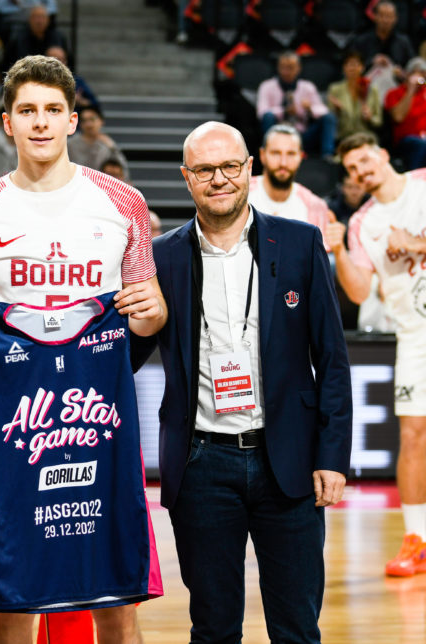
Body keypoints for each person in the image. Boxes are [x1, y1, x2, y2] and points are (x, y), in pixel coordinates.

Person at [0, 54, 167, 644]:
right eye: (27, 111)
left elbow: (150, 315)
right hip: (16, 425)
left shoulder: (123, 203)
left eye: (52, 110)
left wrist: (152, 312)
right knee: (15, 599)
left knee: (117, 600)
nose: (40, 122)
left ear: (72, 120)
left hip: (100, 422)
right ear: (7, 123)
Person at [131, 121, 351, 642]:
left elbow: (332, 358)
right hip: (201, 466)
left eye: (230, 166)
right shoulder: (159, 257)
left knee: (297, 629)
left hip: (289, 463)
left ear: (249, 168)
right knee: (213, 629)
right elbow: (128, 356)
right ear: (187, 177)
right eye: (205, 169)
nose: (219, 179)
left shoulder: (299, 243)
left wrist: (332, 456)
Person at [327, 132, 426, 576]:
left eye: (365, 160)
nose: (361, 171)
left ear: (384, 154)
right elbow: (358, 291)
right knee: (413, 436)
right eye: (352, 168)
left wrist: (417, 244)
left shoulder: (422, 183)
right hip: (414, 336)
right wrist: (338, 248)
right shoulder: (363, 222)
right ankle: (417, 540)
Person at [248, 124, 333, 244]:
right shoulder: (241, 194)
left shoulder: (315, 206)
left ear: (301, 157)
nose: (283, 163)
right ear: (262, 155)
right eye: (276, 153)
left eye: (291, 154)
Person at [257, 51, 337, 156]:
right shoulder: (267, 86)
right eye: (283, 67)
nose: (286, 72)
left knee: (329, 118)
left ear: (298, 68)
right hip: (277, 134)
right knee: (268, 117)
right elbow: (261, 113)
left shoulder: (307, 87)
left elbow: (323, 110)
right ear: (278, 68)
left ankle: (327, 156)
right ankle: (269, 153)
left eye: (290, 68)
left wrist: (310, 108)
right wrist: (284, 111)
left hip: (303, 134)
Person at [327, 50, 383, 142]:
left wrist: (370, 118)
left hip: (366, 137)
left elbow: (378, 121)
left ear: (362, 67)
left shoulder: (372, 90)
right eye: (349, 64)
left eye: (356, 64)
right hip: (343, 137)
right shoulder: (335, 89)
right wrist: (337, 110)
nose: (352, 68)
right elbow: (329, 121)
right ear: (344, 68)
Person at [384, 57, 426, 170]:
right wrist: (411, 90)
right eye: (415, 73)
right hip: (407, 141)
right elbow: (398, 117)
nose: (419, 77)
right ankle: (416, 178)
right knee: (422, 145)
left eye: (422, 73)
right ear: (407, 74)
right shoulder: (394, 93)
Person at [351, 0, 415, 73]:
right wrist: (371, 62)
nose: (385, 20)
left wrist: (402, 73)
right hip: (367, 79)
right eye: (382, 16)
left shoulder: (403, 42)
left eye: (389, 16)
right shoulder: (361, 41)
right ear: (374, 16)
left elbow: (413, 66)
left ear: (396, 18)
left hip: (396, 79)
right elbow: (351, 66)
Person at [67, 104, 129, 178]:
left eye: (92, 119)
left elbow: (123, 172)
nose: (88, 124)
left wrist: (112, 147)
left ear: (101, 121)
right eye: (84, 121)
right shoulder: (70, 144)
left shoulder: (108, 144)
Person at [4, 5, 69, 67]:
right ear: (29, 19)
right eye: (36, 17)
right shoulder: (18, 39)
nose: (39, 21)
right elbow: (8, 63)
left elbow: (69, 62)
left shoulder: (58, 37)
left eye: (42, 17)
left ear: (48, 20)